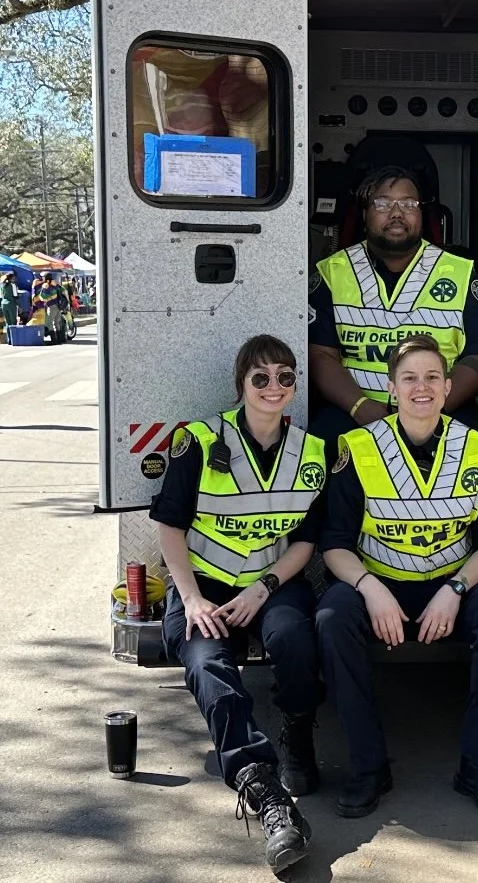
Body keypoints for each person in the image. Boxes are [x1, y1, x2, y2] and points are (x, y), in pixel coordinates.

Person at [315, 334, 478, 819]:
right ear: (391, 389)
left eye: (433, 377)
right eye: (409, 378)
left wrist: (455, 590)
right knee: (330, 618)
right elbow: (335, 545)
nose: (421, 387)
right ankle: (368, 767)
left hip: (452, 583)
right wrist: (371, 590)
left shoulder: (477, 448)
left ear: (448, 387)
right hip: (377, 583)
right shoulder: (357, 448)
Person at [151, 334, 325, 875]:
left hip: (270, 585)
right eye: (261, 377)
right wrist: (191, 598)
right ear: (241, 385)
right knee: (207, 665)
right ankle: (264, 789)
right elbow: (168, 526)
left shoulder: (313, 452)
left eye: (286, 376)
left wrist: (265, 587)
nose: (274, 386)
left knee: (296, 638)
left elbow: (305, 542)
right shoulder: (200, 442)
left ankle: (297, 728)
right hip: (202, 584)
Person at [308, 165, 478, 454]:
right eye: (383, 203)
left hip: (441, 408)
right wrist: (360, 407)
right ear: (365, 213)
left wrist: (430, 408)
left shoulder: (459, 272)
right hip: (355, 411)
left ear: (422, 213)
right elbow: (319, 355)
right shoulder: (332, 273)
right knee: (317, 450)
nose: (396, 212)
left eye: (409, 204)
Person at [37, 274, 63, 343]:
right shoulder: (55, 284)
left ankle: (54, 339)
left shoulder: (46, 285)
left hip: (51, 306)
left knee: (50, 323)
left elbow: (42, 296)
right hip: (58, 305)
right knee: (57, 322)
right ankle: (60, 339)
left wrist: (46, 299)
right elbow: (62, 290)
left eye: (43, 278)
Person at [2, 273, 18, 343]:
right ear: (12, 278)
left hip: (3, 304)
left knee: (8, 322)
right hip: (11, 304)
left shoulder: (3, 285)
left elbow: (1, 295)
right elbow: (15, 295)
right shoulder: (13, 285)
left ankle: (9, 340)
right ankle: (14, 339)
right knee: (13, 322)